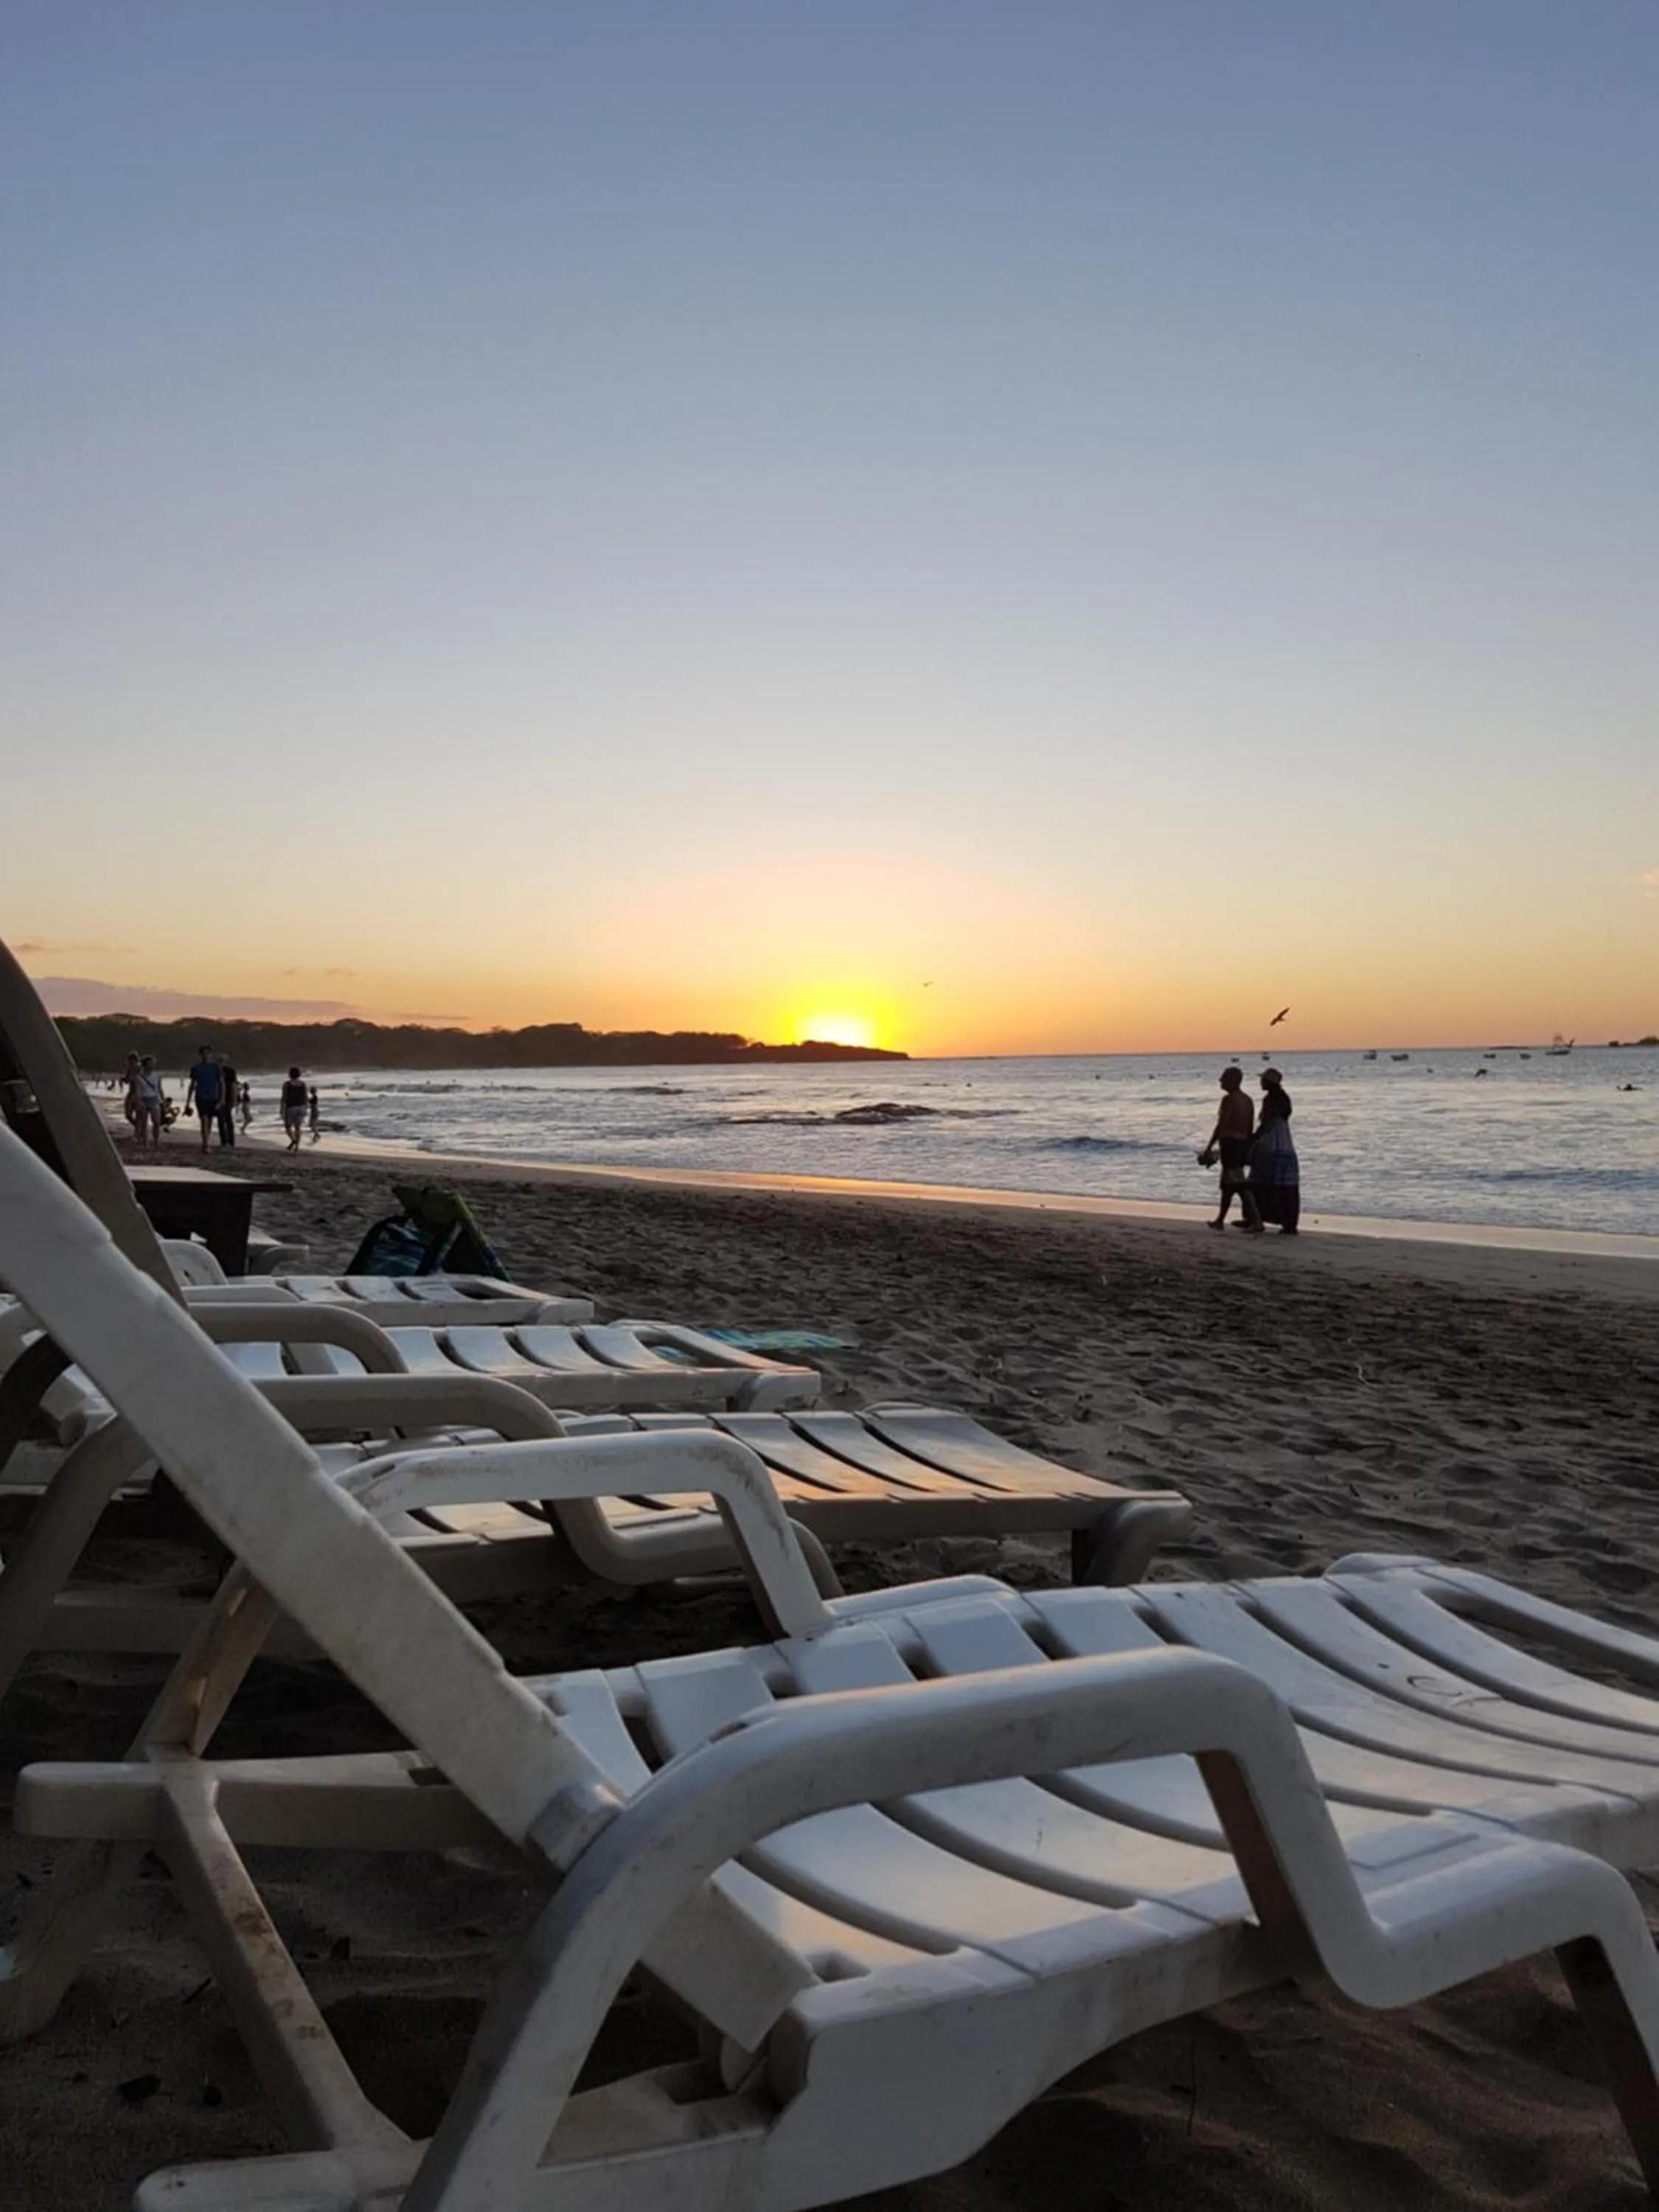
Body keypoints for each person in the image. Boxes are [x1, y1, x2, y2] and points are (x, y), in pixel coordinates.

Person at [1201, 1065, 1262, 1233]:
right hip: (1242, 1144)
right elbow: (1250, 1127)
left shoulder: (1229, 1100)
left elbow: (1222, 1125)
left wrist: (1210, 1146)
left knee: (1240, 1184)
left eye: (1224, 1078)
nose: (1221, 1081)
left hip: (1231, 1144)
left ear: (1233, 1081)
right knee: (1227, 1185)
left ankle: (1256, 1221)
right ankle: (1220, 1219)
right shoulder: (1248, 1100)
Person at [1250, 1067, 1301, 1234]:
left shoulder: (1270, 1100)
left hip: (1271, 1140)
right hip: (1283, 1139)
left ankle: (1257, 1216)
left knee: (1261, 1178)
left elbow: (1266, 1122)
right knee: (1284, 1183)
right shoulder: (1283, 1099)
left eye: (1263, 1080)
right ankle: (1287, 1222)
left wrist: (1254, 1137)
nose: (1261, 1083)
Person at [184, 1045, 224, 1155]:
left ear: (211, 1054)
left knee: (209, 1122)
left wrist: (221, 1099)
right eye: (204, 1054)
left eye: (208, 1054)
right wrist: (187, 1102)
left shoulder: (216, 1067)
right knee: (204, 1120)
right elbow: (192, 1085)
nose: (206, 1056)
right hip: (201, 1097)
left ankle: (205, 1142)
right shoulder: (196, 1068)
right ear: (201, 1055)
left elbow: (221, 1083)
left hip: (214, 1097)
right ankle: (206, 1144)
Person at [133, 1055, 165, 1150]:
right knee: (144, 1122)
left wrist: (163, 1101)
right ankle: (146, 1142)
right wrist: (139, 1101)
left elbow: (159, 1089)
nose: (153, 1065)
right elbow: (137, 1091)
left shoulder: (156, 1076)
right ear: (145, 1064)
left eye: (153, 1063)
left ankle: (156, 1142)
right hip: (144, 1099)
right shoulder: (139, 1077)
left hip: (154, 1099)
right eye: (151, 1063)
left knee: (157, 1122)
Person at [280, 1065, 309, 1152]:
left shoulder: (287, 1085)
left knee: (288, 1126)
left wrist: (282, 1108)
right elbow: (306, 1097)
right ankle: (297, 1147)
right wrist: (306, 1107)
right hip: (302, 1107)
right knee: (298, 1127)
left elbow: (284, 1097)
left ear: (290, 1075)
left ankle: (293, 1140)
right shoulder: (303, 1084)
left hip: (291, 1107)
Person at [215, 1054, 239, 1149]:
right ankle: (225, 1141)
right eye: (220, 1061)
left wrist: (234, 1100)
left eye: (222, 1061)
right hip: (220, 1098)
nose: (221, 1063)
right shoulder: (216, 1071)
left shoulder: (230, 1071)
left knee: (226, 1120)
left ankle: (229, 1141)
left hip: (228, 1098)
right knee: (222, 1120)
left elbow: (234, 1086)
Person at [121, 1051, 142, 1130]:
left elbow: (139, 1079)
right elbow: (127, 1080)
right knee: (129, 1114)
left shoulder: (138, 1067)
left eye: (131, 1060)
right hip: (132, 1092)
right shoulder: (130, 1068)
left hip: (138, 1093)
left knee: (134, 1114)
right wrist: (124, 1079)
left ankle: (138, 1130)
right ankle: (139, 1128)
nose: (129, 1062)